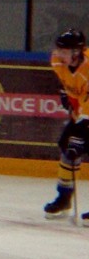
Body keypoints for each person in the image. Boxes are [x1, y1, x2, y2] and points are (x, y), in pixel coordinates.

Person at [43, 28, 89, 223]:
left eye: (64, 51)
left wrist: (81, 133)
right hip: (83, 111)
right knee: (67, 147)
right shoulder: (56, 60)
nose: (59, 54)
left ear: (76, 52)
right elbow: (67, 82)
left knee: (79, 143)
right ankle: (64, 198)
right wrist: (66, 95)